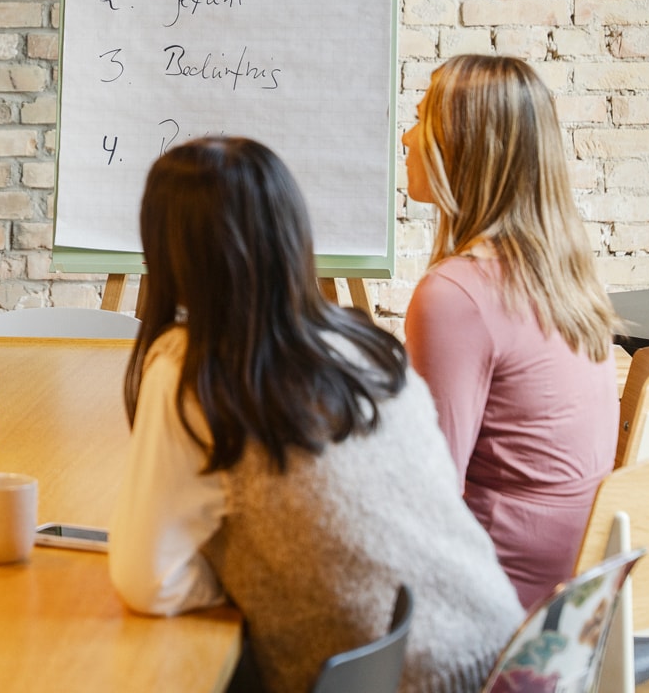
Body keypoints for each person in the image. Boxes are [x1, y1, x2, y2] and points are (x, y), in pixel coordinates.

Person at [109, 138, 521, 693]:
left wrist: (243, 577)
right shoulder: (363, 344)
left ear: (168, 252)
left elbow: (148, 581)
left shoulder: (194, 372)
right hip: (512, 651)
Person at [401, 54, 619, 610]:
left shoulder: (456, 296)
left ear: (466, 146)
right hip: (572, 599)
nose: (406, 135)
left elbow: (430, 495)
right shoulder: (562, 277)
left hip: (492, 608)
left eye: (422, 118)